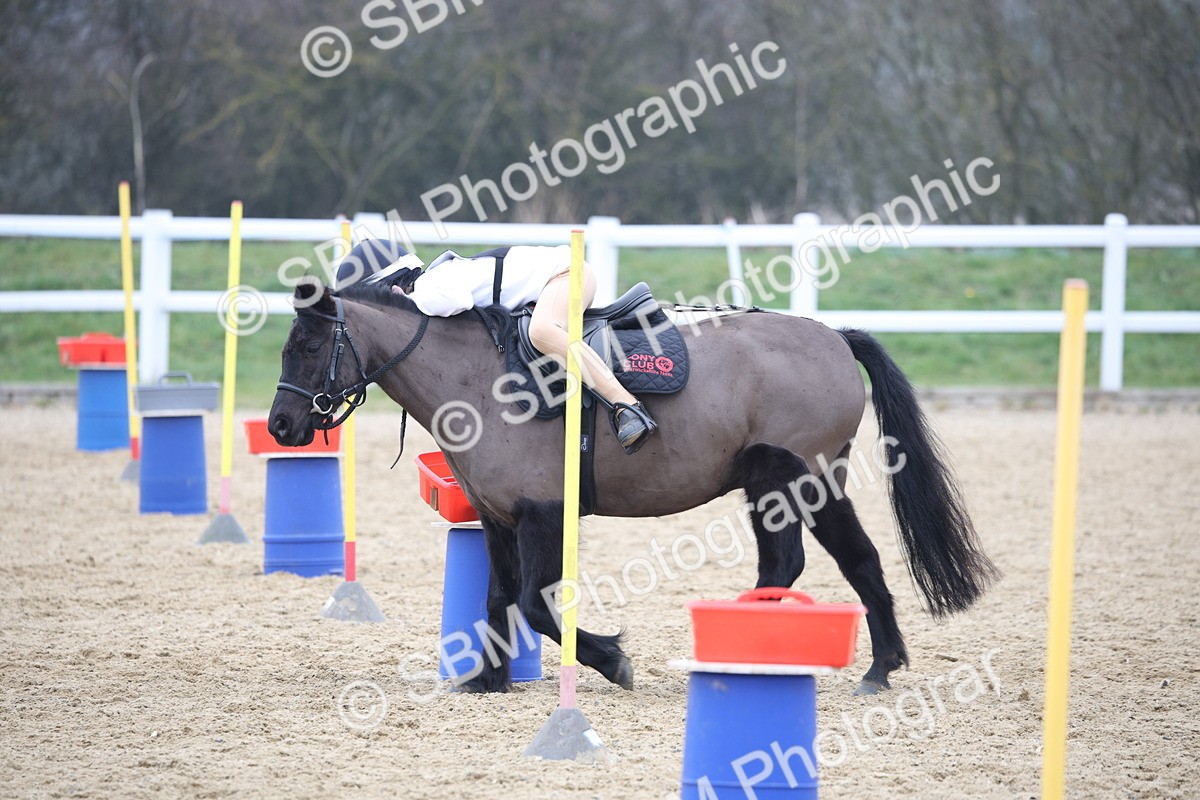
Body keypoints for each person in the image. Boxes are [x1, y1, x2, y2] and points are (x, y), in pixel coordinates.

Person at [334, 239, 657, 454]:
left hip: (568, 273)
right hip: (556, 277)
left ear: (393, 288)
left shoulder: (431, 287)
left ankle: (627, 407)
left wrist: (409, 303)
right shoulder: (436, 279)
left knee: (543, 331)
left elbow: (455, 302)